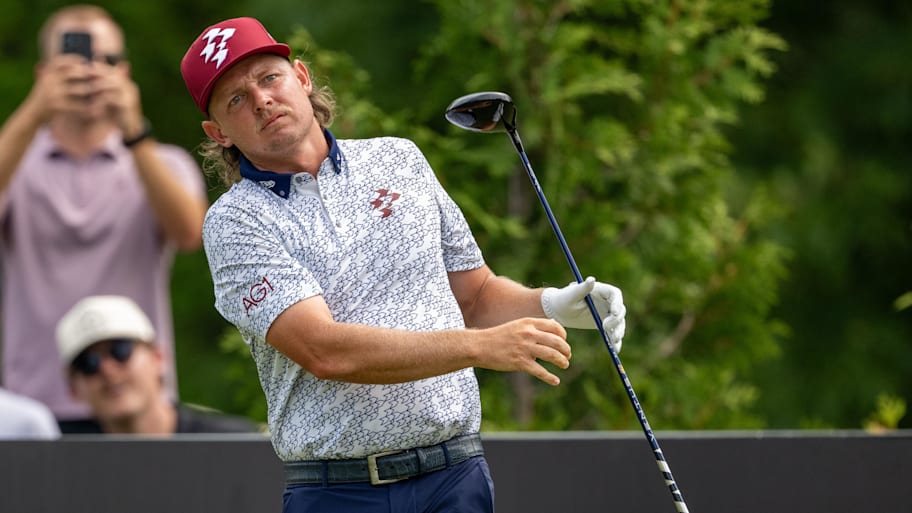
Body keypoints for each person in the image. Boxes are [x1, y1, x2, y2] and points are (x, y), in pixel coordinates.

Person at [180, 16, 627, 512]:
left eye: (270, 78)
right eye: (236, 99)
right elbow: (324, 351)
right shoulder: (235, 221)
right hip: (339, 491)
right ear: (218, 132)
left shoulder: (399, 160)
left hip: (455, 477)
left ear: (301, 78)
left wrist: (550, 305)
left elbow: (474, 296)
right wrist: (480, 347)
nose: (262, 100)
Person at [0, 4, 208, 431]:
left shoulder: (163, 162)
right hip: (32, 408)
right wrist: (34, 112)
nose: (90, 73)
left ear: (125, 72)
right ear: (43, 74)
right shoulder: (15, 163)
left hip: (139, 405)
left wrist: (134, 132)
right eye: (72, 62)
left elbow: (191, 233)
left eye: (106, 60)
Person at [55, 295, 261, 434]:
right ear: (73, 388)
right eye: (88, 363)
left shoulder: (236, 443)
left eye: (120, 351)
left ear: (158, 357)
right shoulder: (56, 457)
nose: (106, 369)